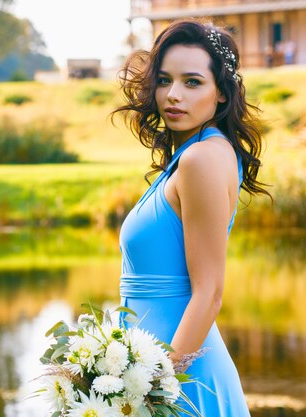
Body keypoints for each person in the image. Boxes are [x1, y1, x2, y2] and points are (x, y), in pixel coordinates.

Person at [111, 19, 271, 416]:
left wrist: (156, 389)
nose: (173, 95)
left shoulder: (201, 158)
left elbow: (209, 292)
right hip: (155, 370)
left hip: (176, 380)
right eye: (164, 80)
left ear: (221, 93)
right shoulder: (201, 152)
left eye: (192, 82)